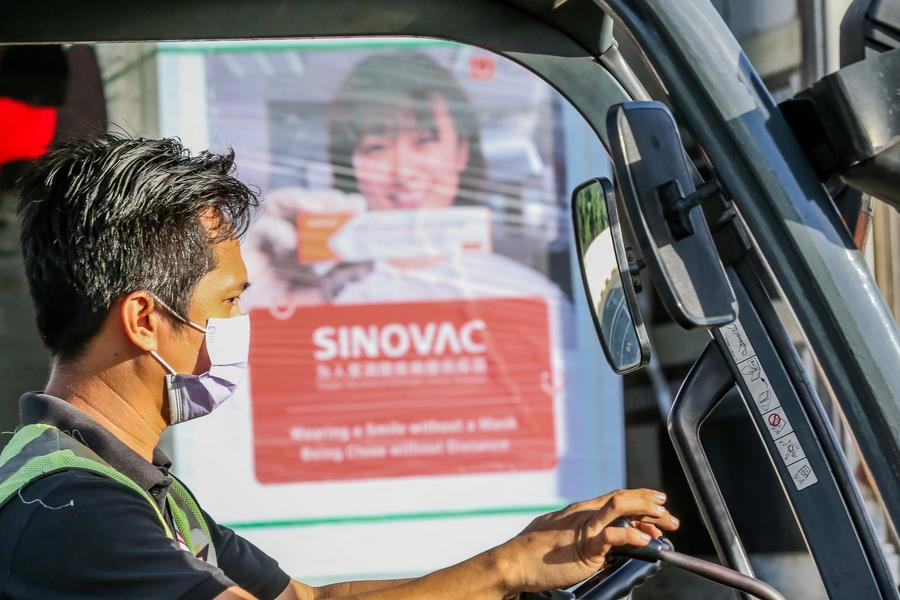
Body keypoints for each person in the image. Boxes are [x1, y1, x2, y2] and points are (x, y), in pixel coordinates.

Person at [0, 133, 679, 599]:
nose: (243, 322)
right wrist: (505, 571)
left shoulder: (130, 485)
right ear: (145, 320)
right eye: (230, 301)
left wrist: (519, 563)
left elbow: (310, 599)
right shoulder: (75, 509)